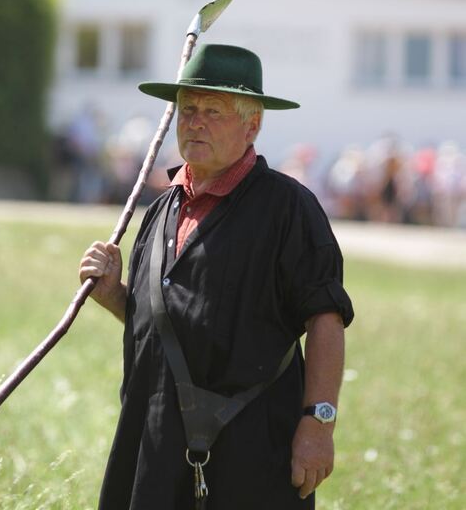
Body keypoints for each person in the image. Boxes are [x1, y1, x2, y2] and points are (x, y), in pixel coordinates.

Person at [79, 44, 354, 510]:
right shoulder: (161, 209)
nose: (195, 122)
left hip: (251, 454)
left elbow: (325, 318)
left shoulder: (289, 209)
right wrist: (115, 297)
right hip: (153, 446)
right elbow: (172, 324)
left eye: (213, 111)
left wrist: (318, 423)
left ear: (253, 124)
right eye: (187, 109)